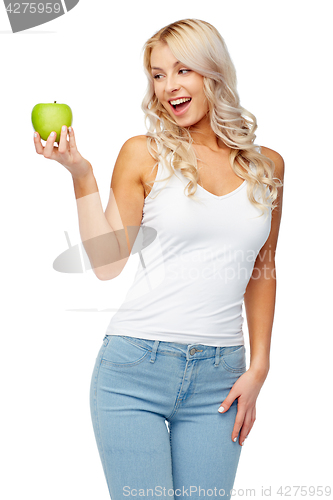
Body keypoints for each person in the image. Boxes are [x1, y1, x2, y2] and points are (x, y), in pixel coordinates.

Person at [33, 18, 284, 500]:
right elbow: (108, 264)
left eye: (182, 70)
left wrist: (260, 367)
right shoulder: (143, 154)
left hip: (221, 379)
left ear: (213, 74)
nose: (169, 86)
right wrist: (81, 176)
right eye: (157, 74)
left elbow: (263, 268)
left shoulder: (267, 166)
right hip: (133, 370)